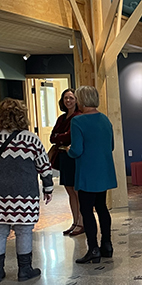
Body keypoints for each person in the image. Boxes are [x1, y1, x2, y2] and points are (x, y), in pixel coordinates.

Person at [0, 98, 53, 283]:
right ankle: (24, 270)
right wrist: (48, 187)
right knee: (24, 231)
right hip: (25, 193)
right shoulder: (31, 138)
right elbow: (44, 165)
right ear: (23, 116)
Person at [68, 86, 117, 264]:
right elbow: (111, 146)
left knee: (86, 210)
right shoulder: (105, 120)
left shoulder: (78, 122)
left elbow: (77, 150)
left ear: (81, 99)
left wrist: (68, 151)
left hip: (87, 171)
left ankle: (93, 249)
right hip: (103, 170)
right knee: (102, 207)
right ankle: (107, 244)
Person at [50, 89, 84, 237]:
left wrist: (60, 137)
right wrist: (60, 137)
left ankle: (82, 222)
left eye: (71, 98)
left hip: (73, 157)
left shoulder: (78, 117)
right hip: (63, 157)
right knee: (69, 191)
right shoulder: (62, 118)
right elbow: (53, 137)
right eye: (65, 98)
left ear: (76, 100)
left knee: (77, 191)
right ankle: (75, 221)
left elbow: (70, 136)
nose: (68, 101)